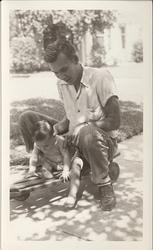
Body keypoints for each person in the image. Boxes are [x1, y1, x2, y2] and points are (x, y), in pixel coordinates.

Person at [43, 39, 121, 211]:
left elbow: (115, 120)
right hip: (75, 143)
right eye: (56, 73)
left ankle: (104, 184)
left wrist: (83, 127)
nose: (62, 76)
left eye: (64, 69)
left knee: (87, 132)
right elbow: (71, 117)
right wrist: (57, 128)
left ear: (75, 59)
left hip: (102, 143)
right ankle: (40, 158)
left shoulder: (100, 77)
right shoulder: (61, 84)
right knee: (29, 118)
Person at [19, 114, 83, 208]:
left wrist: (66, 170)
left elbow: (66, 156)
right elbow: (34, 157)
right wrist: (31, 169)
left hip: (70, 161)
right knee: (42, 158)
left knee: (76, 167)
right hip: (54, 163)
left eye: (46, 145)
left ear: (53, 136)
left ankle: (72, 196)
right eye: (39, 145)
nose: (43, 147)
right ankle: (46, 171)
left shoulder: (59, 141)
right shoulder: (38, 144)